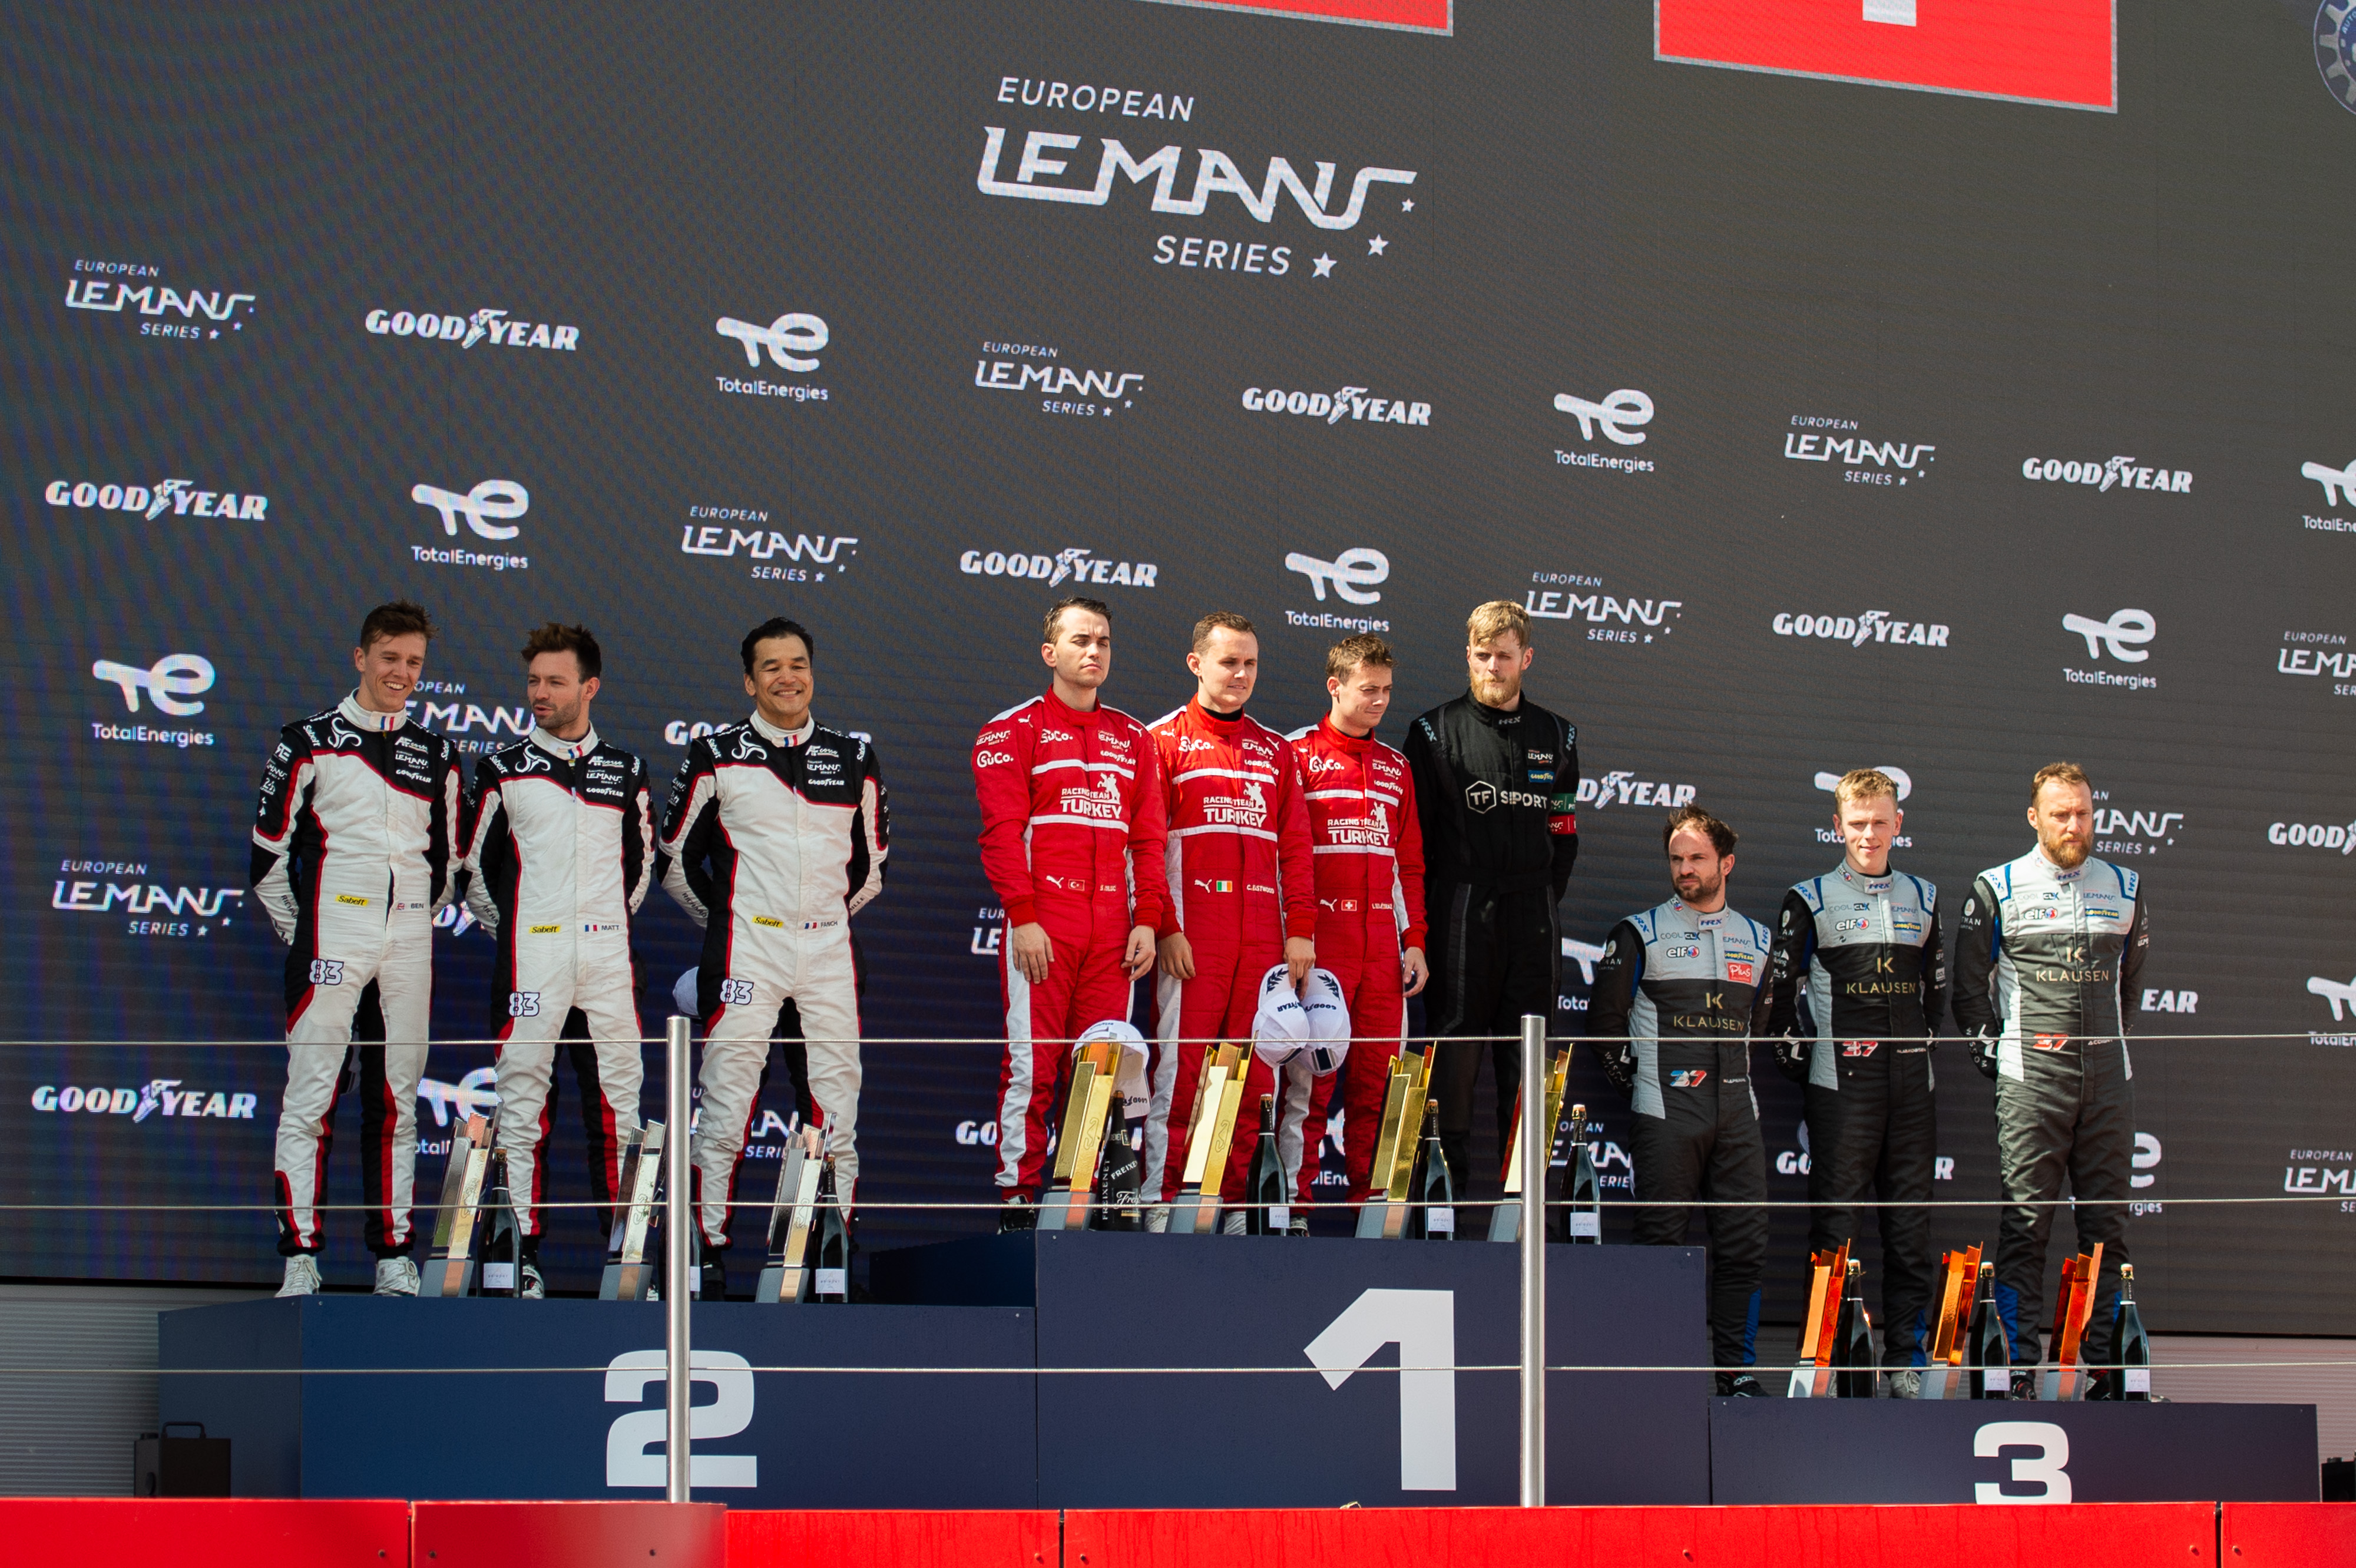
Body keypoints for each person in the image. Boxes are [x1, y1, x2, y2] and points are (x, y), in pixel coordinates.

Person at [661, 617, 887, 1296]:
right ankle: (701, 1254)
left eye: (798, 665)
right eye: (771, 667)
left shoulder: (853, 757)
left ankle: (827, 1253)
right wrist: (731, 921)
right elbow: (676, 860)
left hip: (827, 948)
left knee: (836, 1110)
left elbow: (869, 868)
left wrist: (817, 921)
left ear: (811, 672)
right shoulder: (715, 754)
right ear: (748, 681)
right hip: (746, 947)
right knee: (727, 1105)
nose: (787, 678)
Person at [252, 600, 462, 1298]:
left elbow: (449, 863)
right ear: (360, 657)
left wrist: (411, 916)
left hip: (408, 939)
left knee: (397, 1101)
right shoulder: (308, 741)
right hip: (331, 935)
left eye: (414, 662)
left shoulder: (437, 754)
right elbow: (267, 856)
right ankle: (300, 1255)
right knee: (311, 1096)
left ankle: (394, 1256)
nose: (401, 673)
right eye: (389, 658)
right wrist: (307, 930)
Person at [461, 623, 654, 1298]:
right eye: (533, 681)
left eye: (555, 682)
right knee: (521, 1111)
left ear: (589, 687)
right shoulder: (503, 768)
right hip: (531, 956)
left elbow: (639, 869)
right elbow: (475, 870)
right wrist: (522, 931)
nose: (539, 693)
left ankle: (629, 1266)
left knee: (621, 1115)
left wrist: (603, 925)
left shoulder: (625, 770)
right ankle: (519, 1261)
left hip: (607, 957)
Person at [973, 596, 1169, 1229]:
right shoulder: (1012, 730)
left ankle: (1075, 1198)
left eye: (1103, 641)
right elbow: (1002, 836)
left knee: (1099, 1070)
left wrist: (1147, 921)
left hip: (1114, 931)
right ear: (1049, 652)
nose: (1093, 651)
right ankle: (1018, 1199)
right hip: (1046, 924)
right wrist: (1024, 916)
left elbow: (1148, 842)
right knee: (1033, 1066)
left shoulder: (1135, 738)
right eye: (1080, 640)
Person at [1954, 762, 2149, 1394]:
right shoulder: (1998, 886)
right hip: (2031, 1079)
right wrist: (2003, 1061)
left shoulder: (2125, 886)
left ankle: (2107, 1371)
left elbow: (2130, 987)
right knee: (2026, 1225)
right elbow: (1968, 992)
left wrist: (2105, 1048)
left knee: (2107, 1229)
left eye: (2083, 813)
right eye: (2060, 814)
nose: (2073, 825)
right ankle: (2015, 1368)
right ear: (2034, 817)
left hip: (2107, 1080)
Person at [1765, 769, 1947, 1395]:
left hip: (1912, 1089)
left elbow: (1937, 995)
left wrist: (1914, 1051)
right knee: (1834, 1233)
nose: (1869, 835)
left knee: (1910, 1232)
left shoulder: (1925, 896)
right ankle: (1825, 1362)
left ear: (1899, 824)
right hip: (1841, 1088)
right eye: (1857, 823)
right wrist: (1809, 1067)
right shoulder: (1809, 898)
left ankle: (1905, 1362)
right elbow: (1779, 1000)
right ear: (1837, 826)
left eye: (1880, 822)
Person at [1589, 806, 1773, 1395]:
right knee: (1662, 1245)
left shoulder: (1759, 939)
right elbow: (1605, 1026)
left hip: (1738, 1113)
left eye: (1696, 858)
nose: (1685, 869)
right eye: (1676, 859)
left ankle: (1737, 1371)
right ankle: (1659, 1373)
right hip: (1666, 1112)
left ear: (1727, 864)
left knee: (1744, 1246)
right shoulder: (1638, 932)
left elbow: (1761, 1027)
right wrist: (1647, 1090)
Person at [1144, 612, 1317, 1230]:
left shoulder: (1276, 751)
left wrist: (1300, 931)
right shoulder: (1160, 740)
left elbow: (1296, 849)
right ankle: (1162, 1206)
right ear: (1196, 664)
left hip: (1264, 947)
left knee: (1252, 1082)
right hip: (1194, 942)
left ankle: (1240, 1210)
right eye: (1228, 662)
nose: (1240, 674)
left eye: (1250, 663)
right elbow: (1145, 846)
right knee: (1182, 1078)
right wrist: (1166, 927)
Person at [1405, 599, 1579, 1195]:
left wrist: (1540, 896)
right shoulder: (1433, 731)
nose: (1492, 667)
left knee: (1528, 1059)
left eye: (1504, 656)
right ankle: (1442, 1208)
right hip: (1460, 907)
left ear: (1526, 658)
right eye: (1482, 655)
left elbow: (1564, 831)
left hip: (1534, 911)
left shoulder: (1559, 734)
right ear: (1468, 656)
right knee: (1452, 1058)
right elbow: (1417, 845)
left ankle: (1524, 1211)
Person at [1283, 634, 1430, 1218]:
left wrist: (1414, 941)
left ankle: (1376, 1220)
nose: (1380, 701)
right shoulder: (1295, 754)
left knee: (1381, 1088)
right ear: (1335, 686)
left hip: (1382, 953)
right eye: (1369, 689)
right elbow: (1287, 858)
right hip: (1322, 949)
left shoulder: (1397, 767)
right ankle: (1291, 1213)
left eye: (1387, 690)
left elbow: (1408, 865)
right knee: (1309, 1088)